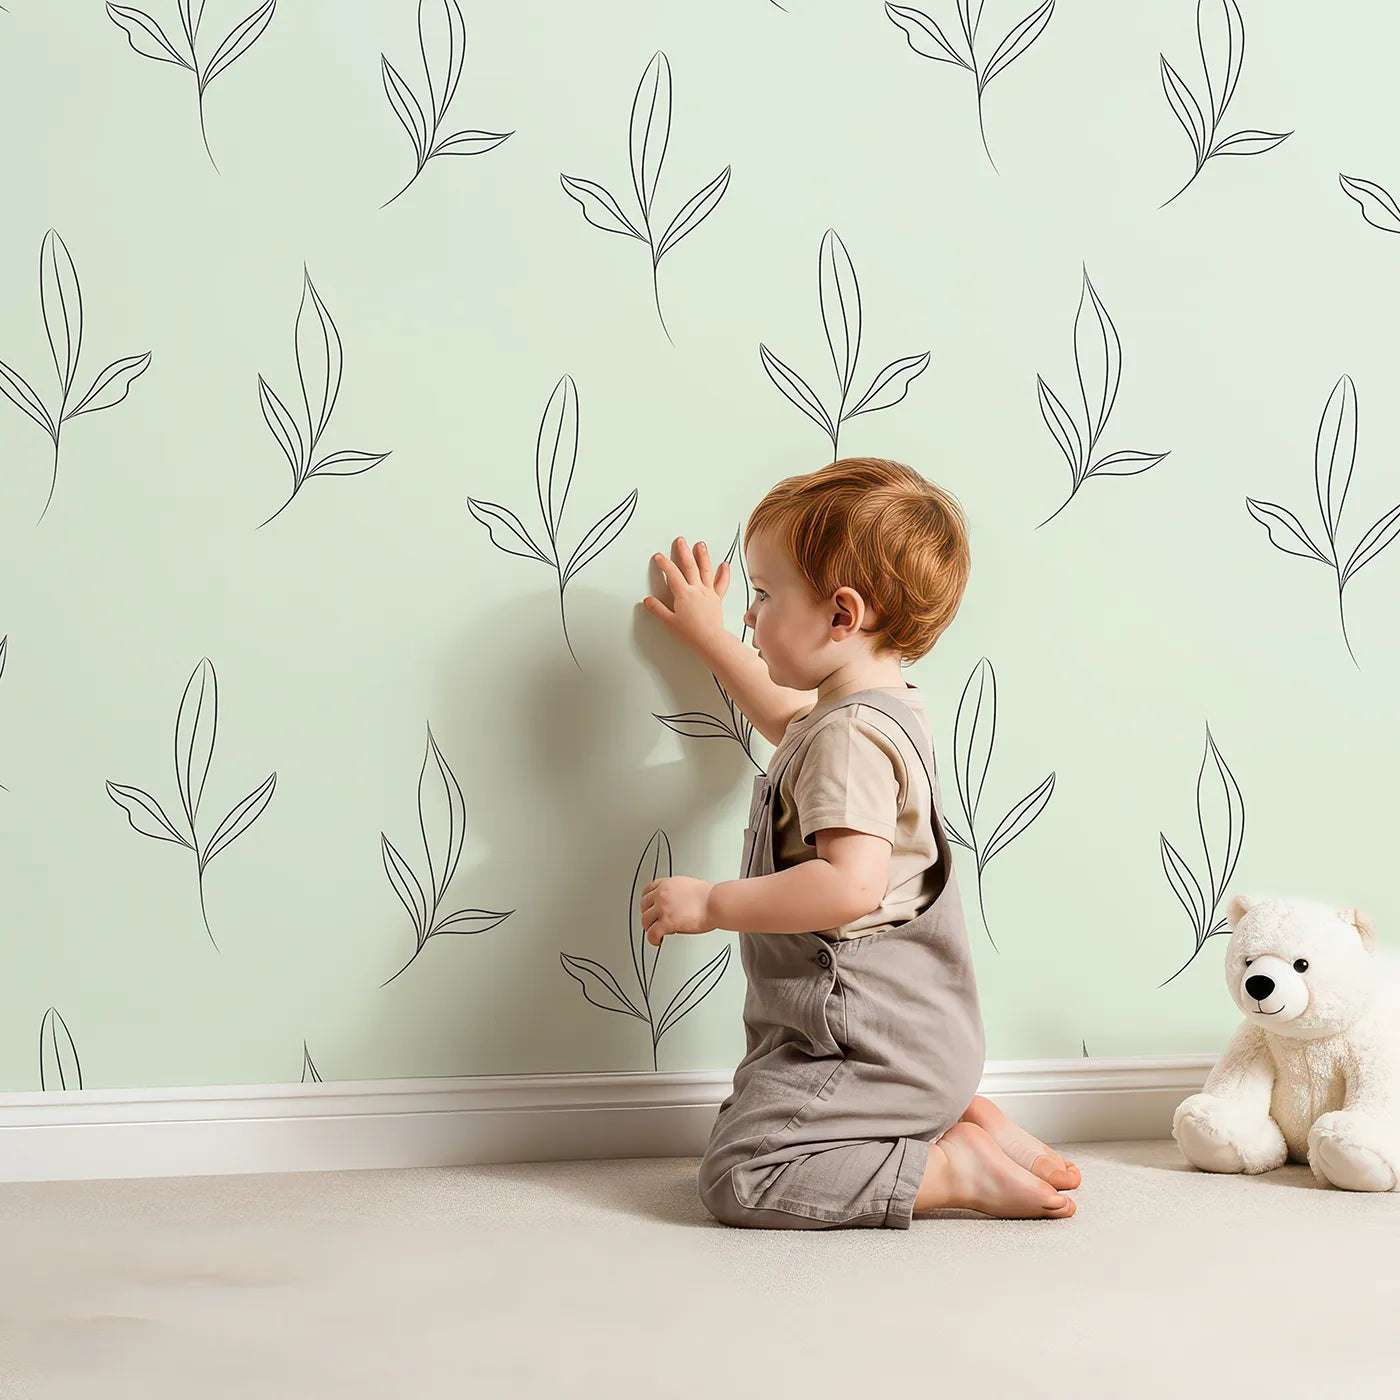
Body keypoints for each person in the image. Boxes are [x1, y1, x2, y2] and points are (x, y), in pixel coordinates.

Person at [639, 457, 1081, 1229]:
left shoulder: (848, 740)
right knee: (745, 1121)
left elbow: (850, 886)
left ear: (841, 616)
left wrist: (712, 903)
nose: (751, 615)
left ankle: (948, 1164)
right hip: (900, 1039)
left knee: (741, 1175)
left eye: (765, 596)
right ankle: (957, 1118)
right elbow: (787, 719)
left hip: (866, 1046)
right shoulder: (877, 710)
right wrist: (713, 641)